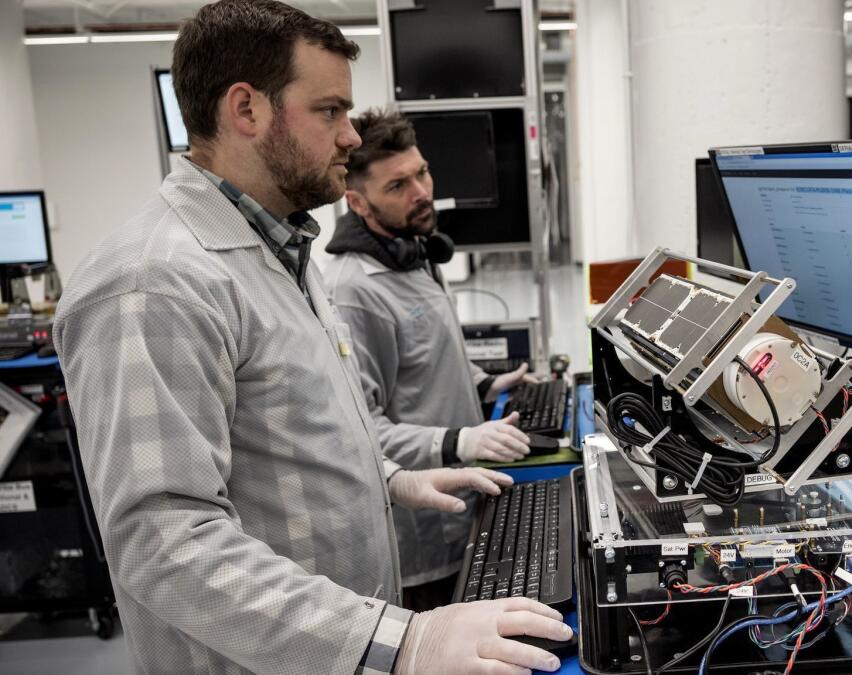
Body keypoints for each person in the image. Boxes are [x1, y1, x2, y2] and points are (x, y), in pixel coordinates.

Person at [51, 1, 571, 673]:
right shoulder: (155, 280)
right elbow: (164, 543)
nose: (351, 136)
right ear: (247, 110)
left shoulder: (281, 252)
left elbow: (291, 432)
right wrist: (400, 640)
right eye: (330, 111)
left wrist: (388, 478)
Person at [324, 109, 538, 610]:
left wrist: (484, 383)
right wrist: (461, 439)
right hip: (423, 536)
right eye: (398, 185)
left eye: (421, 172)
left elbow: (424, 361)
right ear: (357, 202)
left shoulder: (413, 251)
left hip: (466, 499)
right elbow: (362, 429)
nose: (421, 191)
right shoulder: (355, 292)